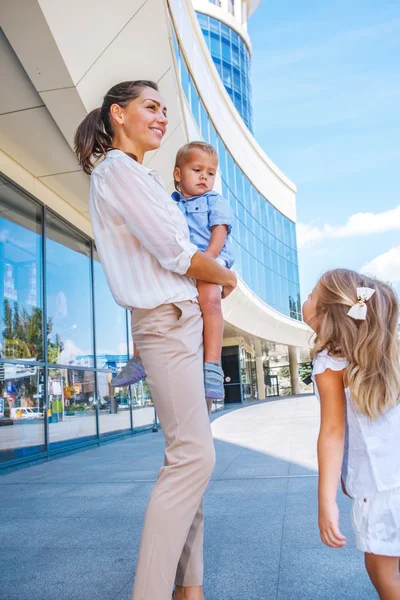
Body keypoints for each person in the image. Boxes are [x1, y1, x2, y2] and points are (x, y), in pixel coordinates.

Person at [74, 80, 237, 600]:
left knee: (188, 456)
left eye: (165, 109)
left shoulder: (138, 175)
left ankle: (190, 589)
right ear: (117, 114)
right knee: (194, 457)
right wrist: (227, 279)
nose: (162, 116)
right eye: (151, 107)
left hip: (180, 319)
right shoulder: (118, 171)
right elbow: (174, 251)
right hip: (164, 321)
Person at [303, 268, 400, 599]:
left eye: (310, 296)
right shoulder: (382, 352)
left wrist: (325, 500)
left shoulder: (330, 361)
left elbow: (332, 432)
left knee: (382, 571)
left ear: (326, 312)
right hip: (391, 478)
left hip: (380, 487)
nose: (305, 300)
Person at [114, 141, 233, 399]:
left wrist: (206, 263)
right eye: (197, 170)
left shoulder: (216, 201)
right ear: (178, 175)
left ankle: (212, 365)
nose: (204, 177)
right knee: (145, 294)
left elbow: (219, 235)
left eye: (210, 173)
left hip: (209, 260)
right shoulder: (170, 204)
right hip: (182, 262)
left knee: (210, 299)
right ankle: (139, 357)